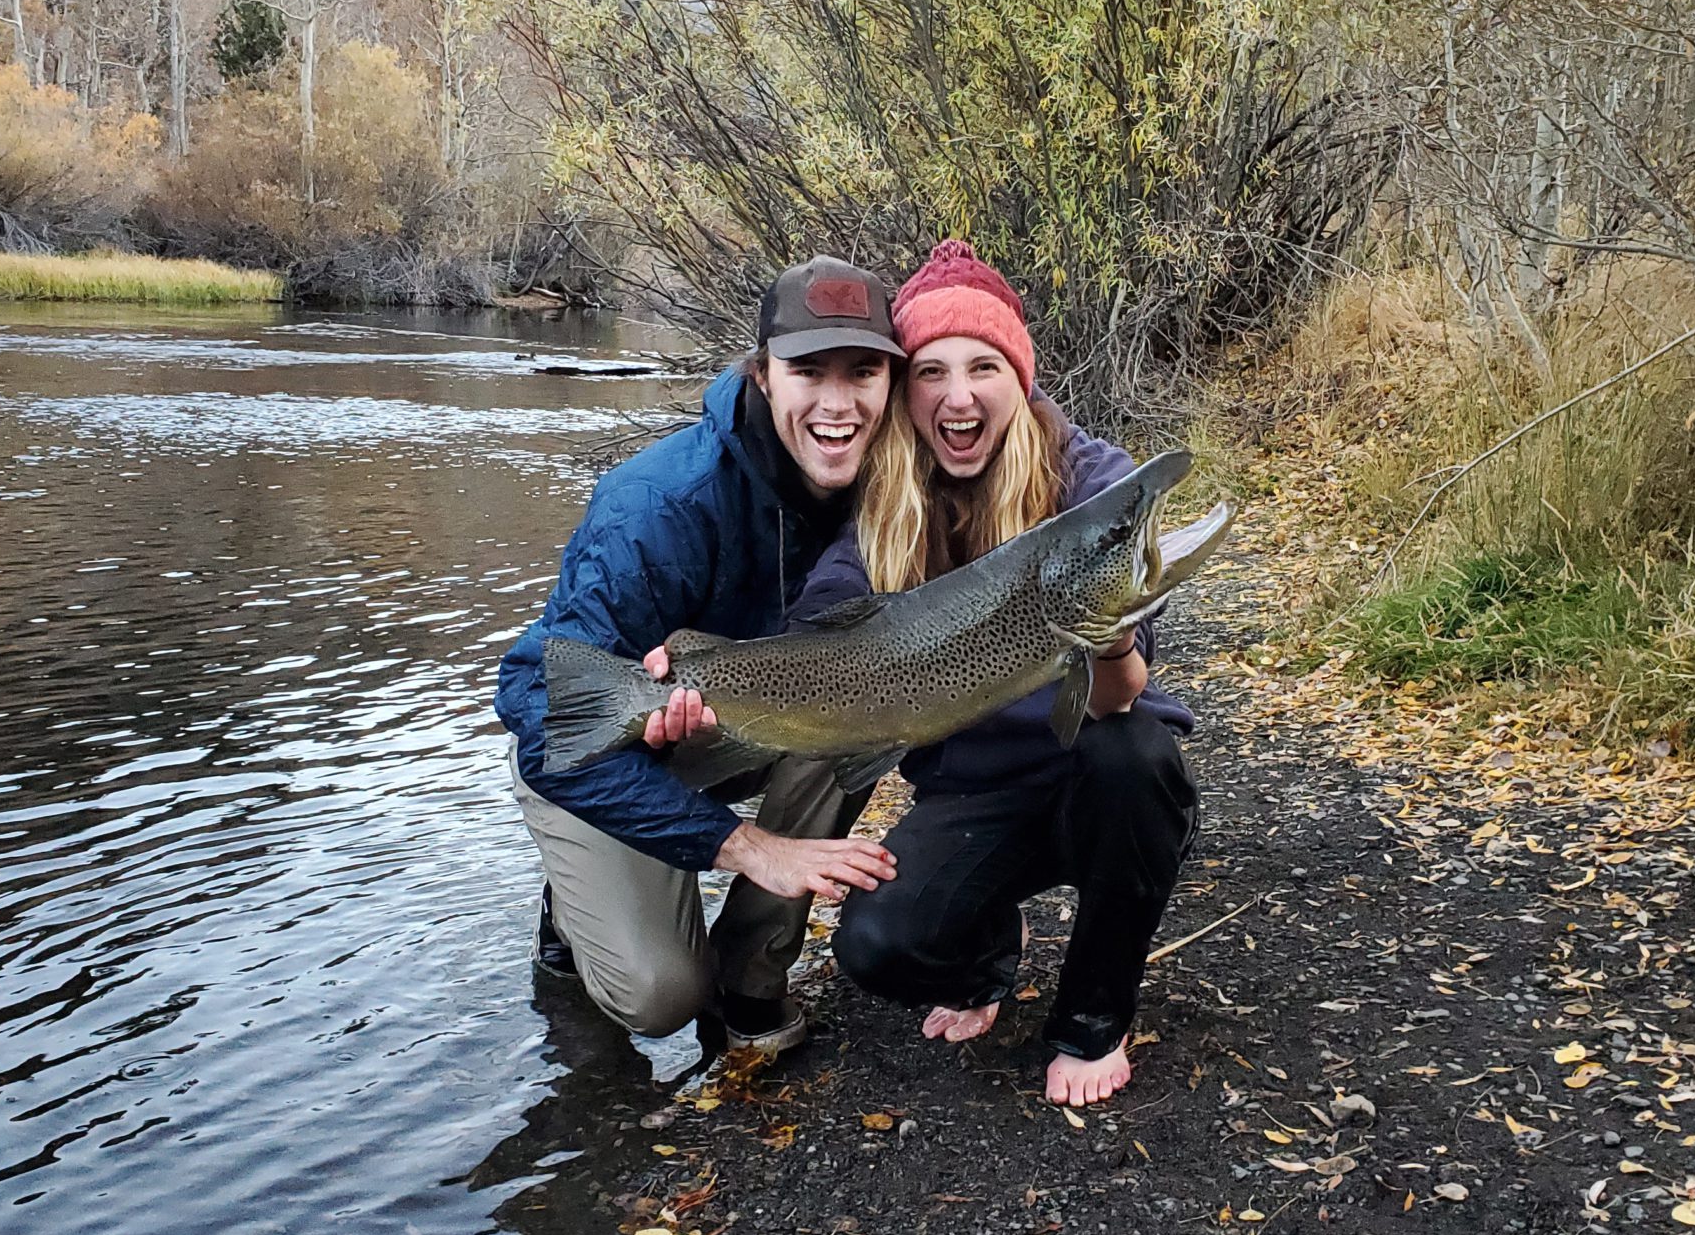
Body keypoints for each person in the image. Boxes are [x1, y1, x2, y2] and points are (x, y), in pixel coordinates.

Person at [795, 240, 1199, 1107]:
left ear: (1021, 377)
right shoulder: (881, 503)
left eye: (984, 365)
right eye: (932, 371)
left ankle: (1095, 1019)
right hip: (973, 797)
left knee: (1137, 758)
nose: (959, 393)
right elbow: (826, 607)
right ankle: (984, 953)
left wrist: (1101, 632)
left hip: (1096, 779)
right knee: (878, 947)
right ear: (908, 394)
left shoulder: (1092, 485)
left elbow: (1123, 696)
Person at [495, 258, 902, 1051]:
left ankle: (750, 978)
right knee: (657, 998)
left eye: (863, 373)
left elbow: (997, 408)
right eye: (808, 371)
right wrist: (745, 847)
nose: (837, 403)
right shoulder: (658, 505)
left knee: (864, 707)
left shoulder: (895, 491)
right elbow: (544, 723)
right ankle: (571, 912)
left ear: (894, 381)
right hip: (607, 749)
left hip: (745, 728)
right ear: (761, 375)